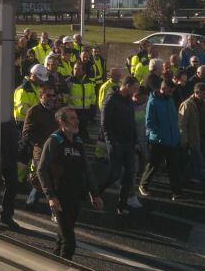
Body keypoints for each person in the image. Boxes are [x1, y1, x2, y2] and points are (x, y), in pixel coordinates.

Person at [37, 106, 103, 260]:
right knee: (69, 242)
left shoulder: (78, 141)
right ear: (62, 121)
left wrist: (95, 194)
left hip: (76, 195)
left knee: (62, 237)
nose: (76, 122)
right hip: (60, 197)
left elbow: (86, 169)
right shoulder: (54, 141)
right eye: (72, 118)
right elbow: (42, 170)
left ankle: (54, 263)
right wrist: (51, 196)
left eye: (76, 118)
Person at [99, 76, 142, 213]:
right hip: (116, 143)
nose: (135, 92)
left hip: (128, 143)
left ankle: (121, 205)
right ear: (127, 86)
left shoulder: (129, 100)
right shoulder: (111, 99)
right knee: (115, 174)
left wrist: (135, 142)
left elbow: (131, 122)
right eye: (134, 88)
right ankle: (96, 192)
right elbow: (105, 124)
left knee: (129, 174)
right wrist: (111, 142)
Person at [139, 80, 185, 200]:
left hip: (171, 139)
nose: (171, 93)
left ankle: (176, 191)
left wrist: (176, 135)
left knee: (173, 166)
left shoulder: (169, 100)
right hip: (158, 141)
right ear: (163, 89)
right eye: (170, 90)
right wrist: (161, 135)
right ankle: (143, 185)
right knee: (153, 165)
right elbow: (149, 122)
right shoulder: (153, 102)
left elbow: (173, 119)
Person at [23, 86, 59, 208]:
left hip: (55, 149)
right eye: (48, 95)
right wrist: (41, 143)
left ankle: (33, 200)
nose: (52, 98)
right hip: (40, 149)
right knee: (43, 175)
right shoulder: (34, 111)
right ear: (41, 96)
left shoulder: (56, 111)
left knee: (53, 176)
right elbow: (26, 133)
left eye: (53, 95)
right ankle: (35, 202)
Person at [179, 82, 205, 197]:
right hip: (193, 139)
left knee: (193, 163)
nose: (204, 96)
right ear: (196, 92)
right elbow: (182, 124)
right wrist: (184, 140)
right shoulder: (187, 105)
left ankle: (184, 180)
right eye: (202, 93)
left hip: (204, 138)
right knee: (199, 164)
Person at [65, 63, 96, 142]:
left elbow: (92, 95)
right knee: (73, 127)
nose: (76, 71)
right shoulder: (69, 81)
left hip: (85, 109)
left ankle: (82, 140)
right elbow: (65, 96)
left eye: (78, 69)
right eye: (75, 69)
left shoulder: (89, 82)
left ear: (83, 71)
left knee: (83, 125)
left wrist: (92, 106)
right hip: (73, 109)